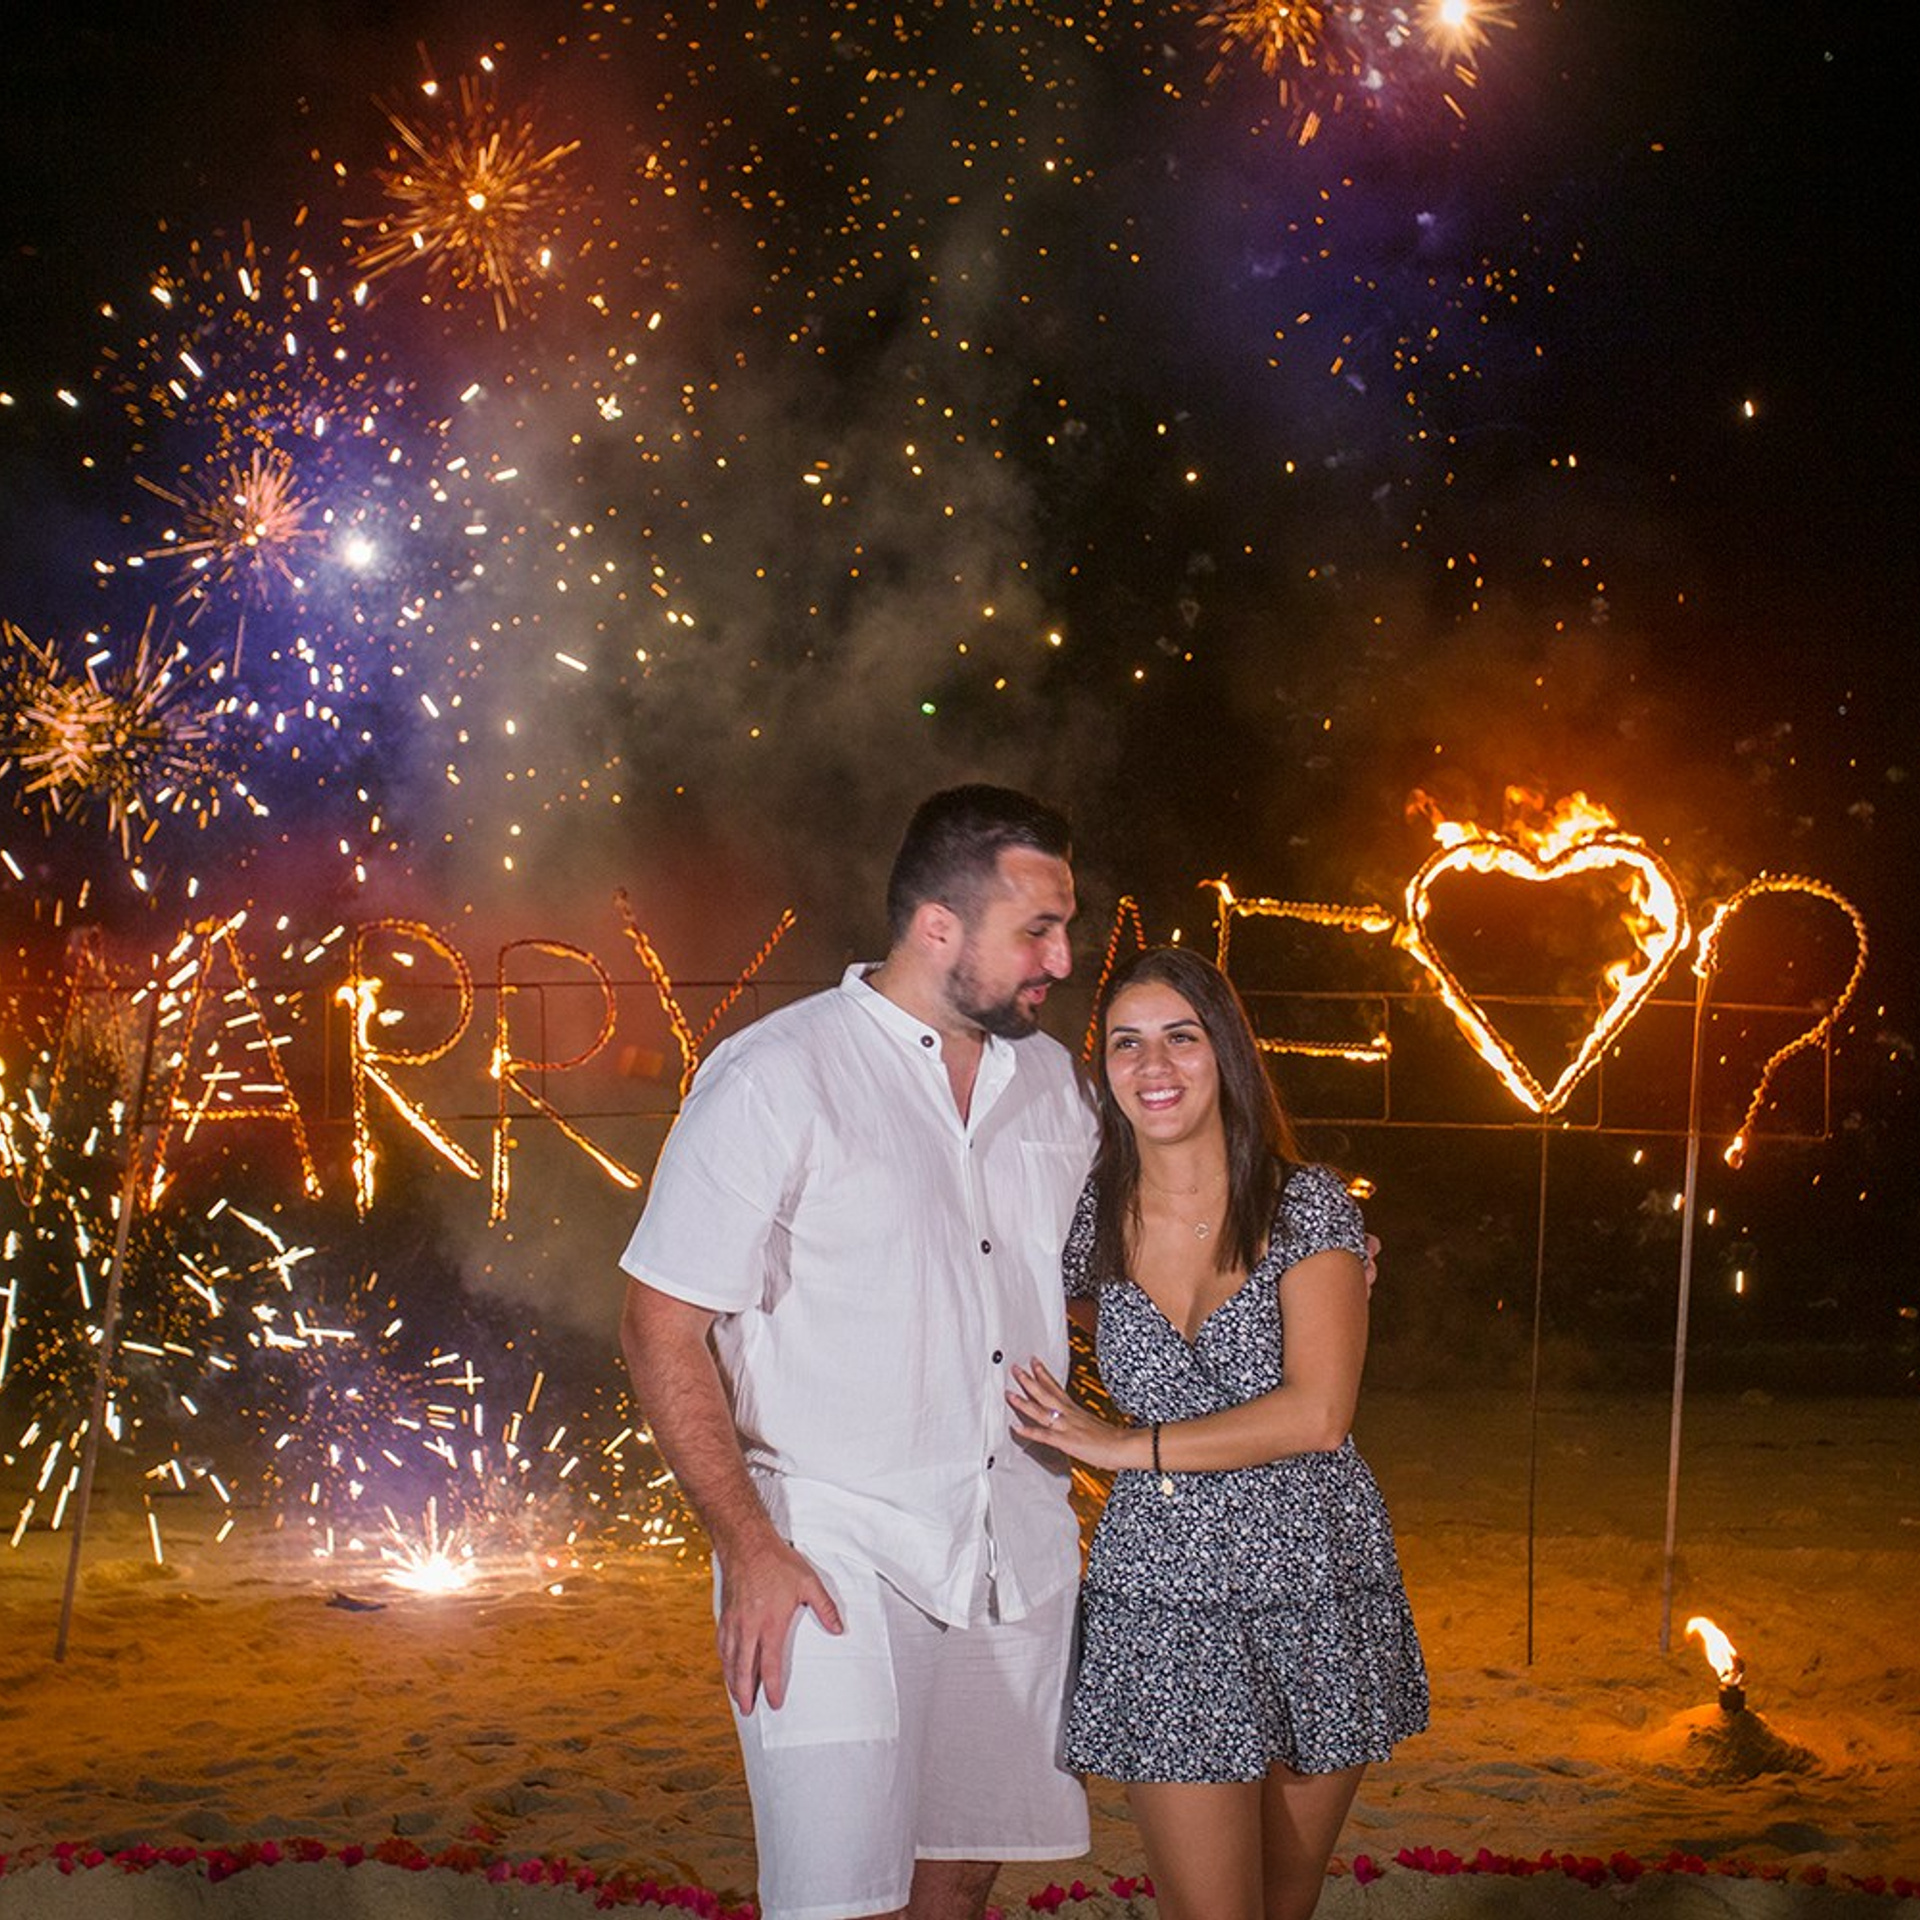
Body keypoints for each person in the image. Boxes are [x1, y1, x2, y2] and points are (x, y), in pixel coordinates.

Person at [618, 784, 1098, 1920]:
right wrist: (748, 1544)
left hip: (1014, 1553)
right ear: (940, 926)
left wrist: (1308, 1252)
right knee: (840, 1897)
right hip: (829, 1552)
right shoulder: (780, 1073)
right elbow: (658, 1320)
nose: (1065, 960)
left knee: (964, 1874)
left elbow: (1136, 1256)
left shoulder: (1057, 1088)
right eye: (1038, 929)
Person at [1006, 944, 1427, 1920]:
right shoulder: (1087, 1222)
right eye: (1127, 1043)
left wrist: (1121, 1446)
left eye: (1181, 1039)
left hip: (1317, 1584)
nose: (1154, 1067)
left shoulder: (1304, 1204)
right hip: (1166, 1599)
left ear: (1225, 1052)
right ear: (1102, 1068)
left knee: (1284, 1904)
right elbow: (991, 1291)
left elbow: (1321, 1414)